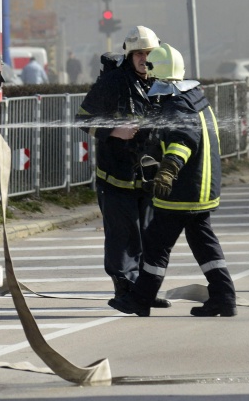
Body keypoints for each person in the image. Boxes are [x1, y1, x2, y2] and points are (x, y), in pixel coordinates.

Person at [108, 43, 237, 317]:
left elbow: (183, 141)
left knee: (155, 243)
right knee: (204, 246)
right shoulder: (194, 97)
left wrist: (167, 171)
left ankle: (140, 299)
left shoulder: (177, 104)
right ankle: (224, 297)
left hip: (182, 192)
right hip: (201, 189)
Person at [75, 26, 171, 309]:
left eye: (150, 53)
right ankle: (124, 290)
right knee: (122, 238)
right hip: (115, 178)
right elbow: (83, 119)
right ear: (129, 56)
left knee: (148, 236)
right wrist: (114, 130)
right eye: (139, 53)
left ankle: (145, 291)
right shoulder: (113, 83)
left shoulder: (162, 83)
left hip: (149, 178)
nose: (144, 58)